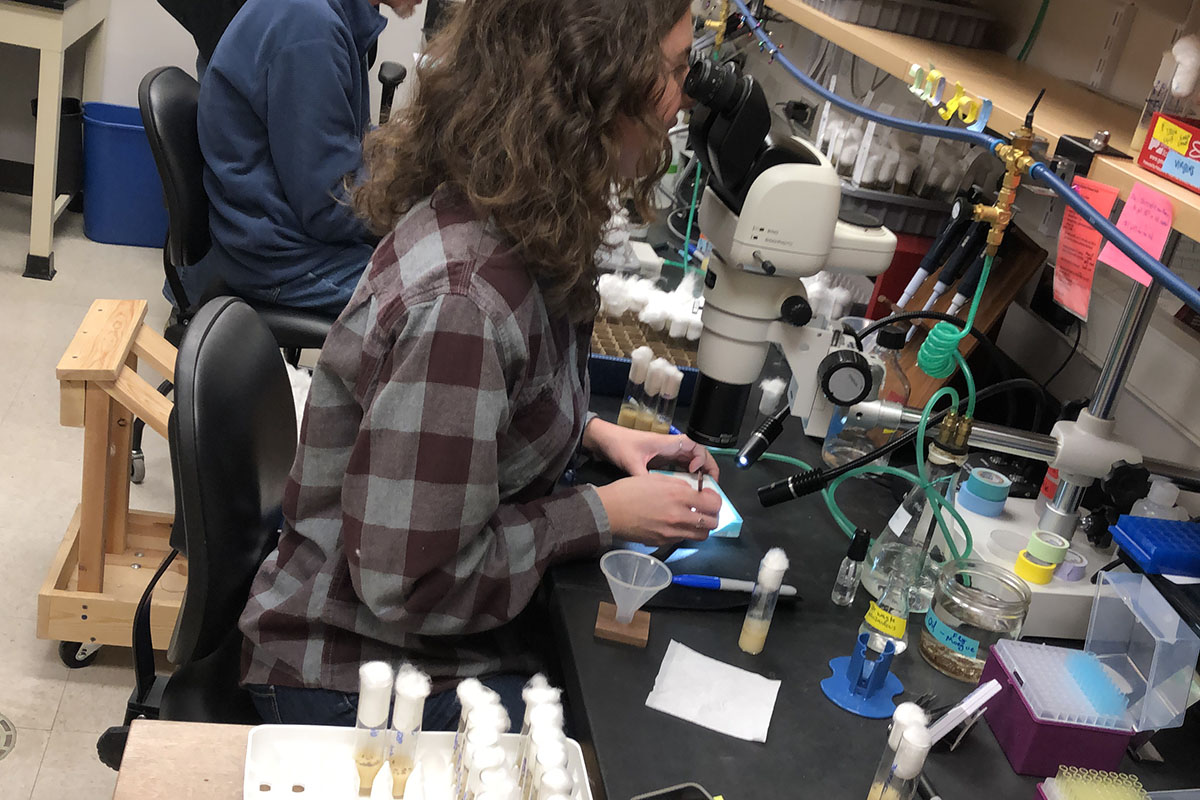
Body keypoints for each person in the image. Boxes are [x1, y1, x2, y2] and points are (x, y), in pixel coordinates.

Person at [238, 0, 713, 731]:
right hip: (351, 672)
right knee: (631, 741)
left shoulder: (511, 213)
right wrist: (602, 513)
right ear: (594, 84)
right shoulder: (467, 302)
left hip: (411, 640)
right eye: (674, 71)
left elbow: (485, 406)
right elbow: (410, 584)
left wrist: (592, 433)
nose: (683, 100)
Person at [189, 0, 422, 315]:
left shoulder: (327, 16)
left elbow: (336, 149)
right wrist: (415, 190)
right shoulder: (311, 29)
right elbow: (331, 207)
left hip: (285, 228)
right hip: (281, 260)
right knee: (441, 302)